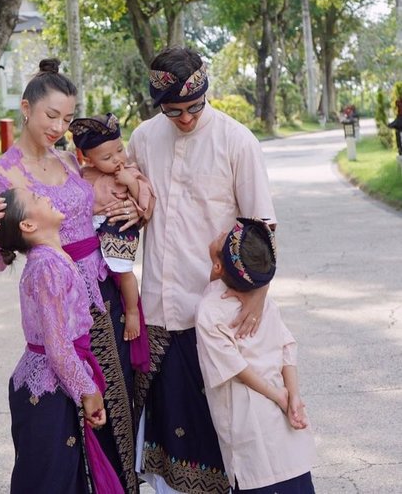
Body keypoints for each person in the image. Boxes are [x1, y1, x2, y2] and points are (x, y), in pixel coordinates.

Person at [0, 59, 140, 492]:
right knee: (75, 415)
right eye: (51, 116)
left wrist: (131, 206)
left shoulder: (68, 159)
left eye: (67, 119)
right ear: (26, 108)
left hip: (106, 290)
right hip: (62, 303)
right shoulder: (1, 177)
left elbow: (104, 194)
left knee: (120, 405)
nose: (59, 127)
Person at [127, 46, 277, 494]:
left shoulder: (236, 141)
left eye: (194, 108)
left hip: (216, 316)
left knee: (227, 437)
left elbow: (262, 231)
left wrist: (257, 297)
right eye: (174, 112)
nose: (187, 119)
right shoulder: (143, 139)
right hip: (160, 310)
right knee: (169, 431)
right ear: (158, 105)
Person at [0, 186, 123, 493]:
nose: (45, 196)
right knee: (49, 479)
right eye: (36, 199)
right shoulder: (47, 266)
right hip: (48, 387)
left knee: (61, 475)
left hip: (54, 382)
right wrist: (88, 391)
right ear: (28, 225)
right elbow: (57, 345)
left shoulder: (51, 258)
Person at [197, 218, 316, 493]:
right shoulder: (261, 302)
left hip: (250, 434)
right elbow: (287, 346)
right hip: (286, 435)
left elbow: (235, 366)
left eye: (223, 237)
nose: (221, 231)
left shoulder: (210, 310)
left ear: (218, 266)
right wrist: (292, 393)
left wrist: (280, 396)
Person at [69, 112, 155, 344]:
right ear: (88, 158)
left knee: (123, 271)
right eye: (107, 156)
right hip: (91, 235)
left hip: (118, 229)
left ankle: (133, 312)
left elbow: (145, 200)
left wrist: (131, 183)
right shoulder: (83, 175)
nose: (118, 159)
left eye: (120, 149)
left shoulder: (130, 172)